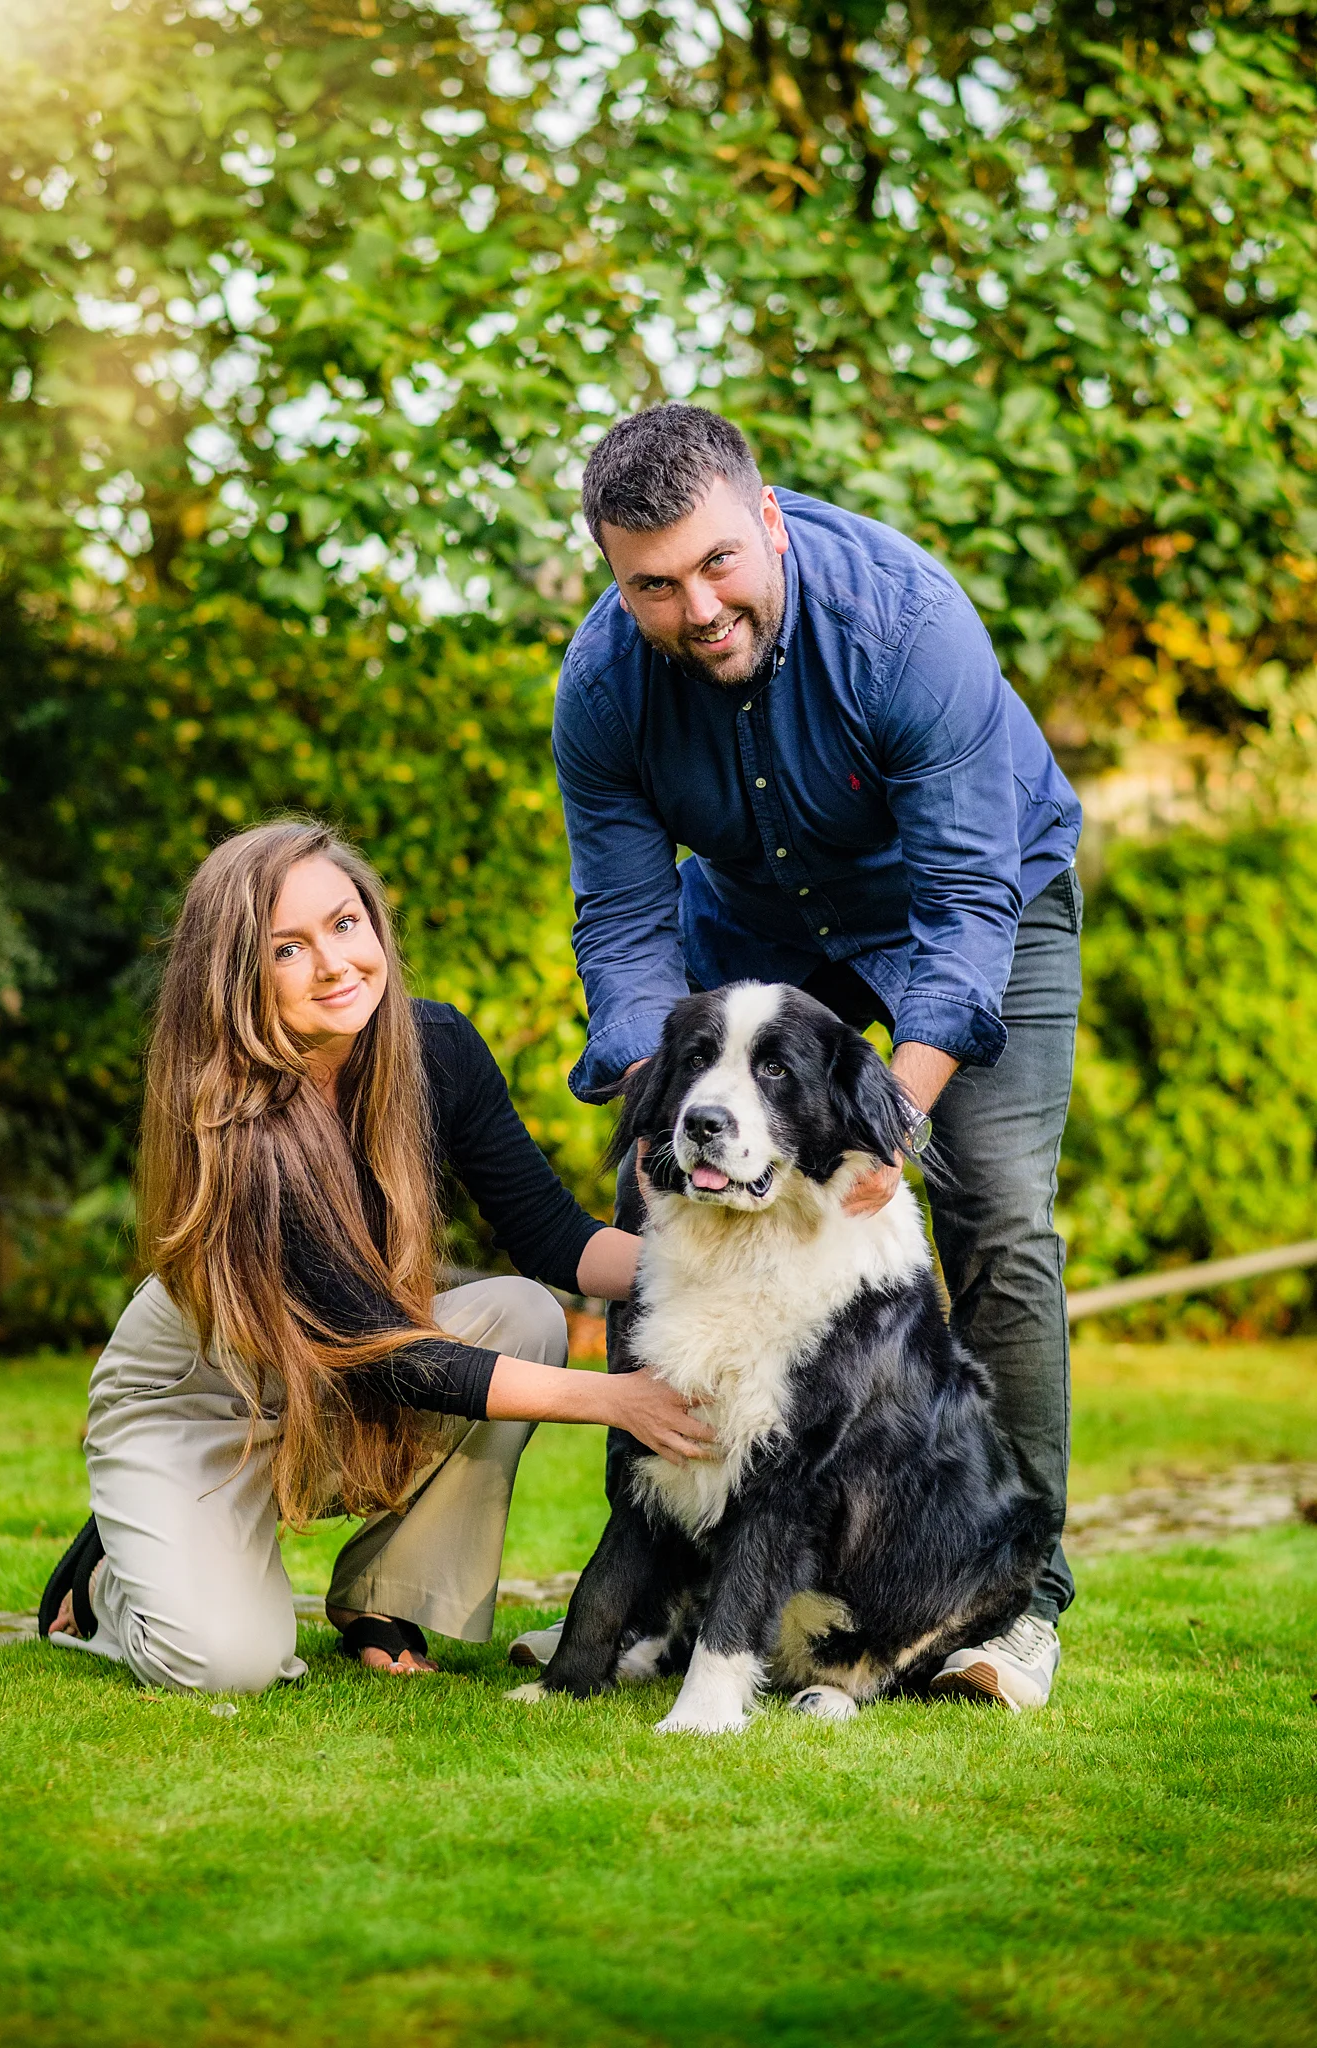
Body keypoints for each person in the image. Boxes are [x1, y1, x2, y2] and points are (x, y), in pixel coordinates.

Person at [528, 403, 1083, 1712]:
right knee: (646, 1195)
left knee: (991, 1211)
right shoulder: (601, 688)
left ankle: (1016, 1600)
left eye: (716, 562)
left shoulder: (904, 627)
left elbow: (960, 911)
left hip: (975, 903)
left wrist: (885, 1133)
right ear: (615, 578)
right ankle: (664, 1585)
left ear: (765, 519)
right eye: (650, 584)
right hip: (761, 928)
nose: (694, 606)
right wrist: (652, 1107)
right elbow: (619, 922)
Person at [41, 819, 713, 1693]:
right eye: (287, 948)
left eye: (344, 924)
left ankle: (382, 1597)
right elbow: (388, 1356)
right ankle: (107, 1581)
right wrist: (619, 1399)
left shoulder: (435, 1048)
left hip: (342, 1367)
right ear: (237, 974)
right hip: (203, 1395)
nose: (333, 965)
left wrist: (728, 1270)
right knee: (225, 1665)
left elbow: (555, 1238)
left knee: (521, 1311)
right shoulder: (235, 1124)